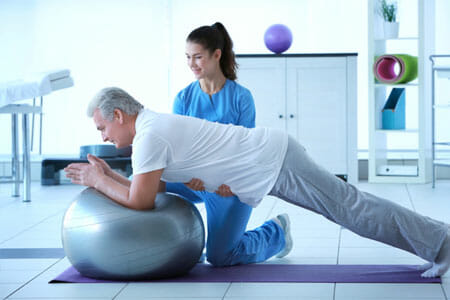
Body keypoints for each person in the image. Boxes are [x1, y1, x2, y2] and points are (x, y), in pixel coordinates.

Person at [65, 87, 450, 278]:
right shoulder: (150, 130)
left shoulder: (149, 137)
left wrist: (101, 180)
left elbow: (142, 203)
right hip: (270, 162)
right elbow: (148, 191)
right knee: (352, 208)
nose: (103, 136)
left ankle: (442, 243)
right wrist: (108, 176)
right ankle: (439, 243)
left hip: (275, 161)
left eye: (102, 127)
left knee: (353, 209)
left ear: (118, 114)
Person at [164, 22, 289, 266]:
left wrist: (230, 183)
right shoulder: (183, 98)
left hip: (229, 185)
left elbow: (247, 153)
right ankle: (166, 246)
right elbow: (178, 150)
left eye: (198, 57)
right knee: (150, 181)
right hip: (193, 181)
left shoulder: (241, 97)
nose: (191, 64)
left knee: (219, 257)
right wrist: (187, 175)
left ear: (216, 55)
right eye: (188, 57)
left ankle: (277, 232)